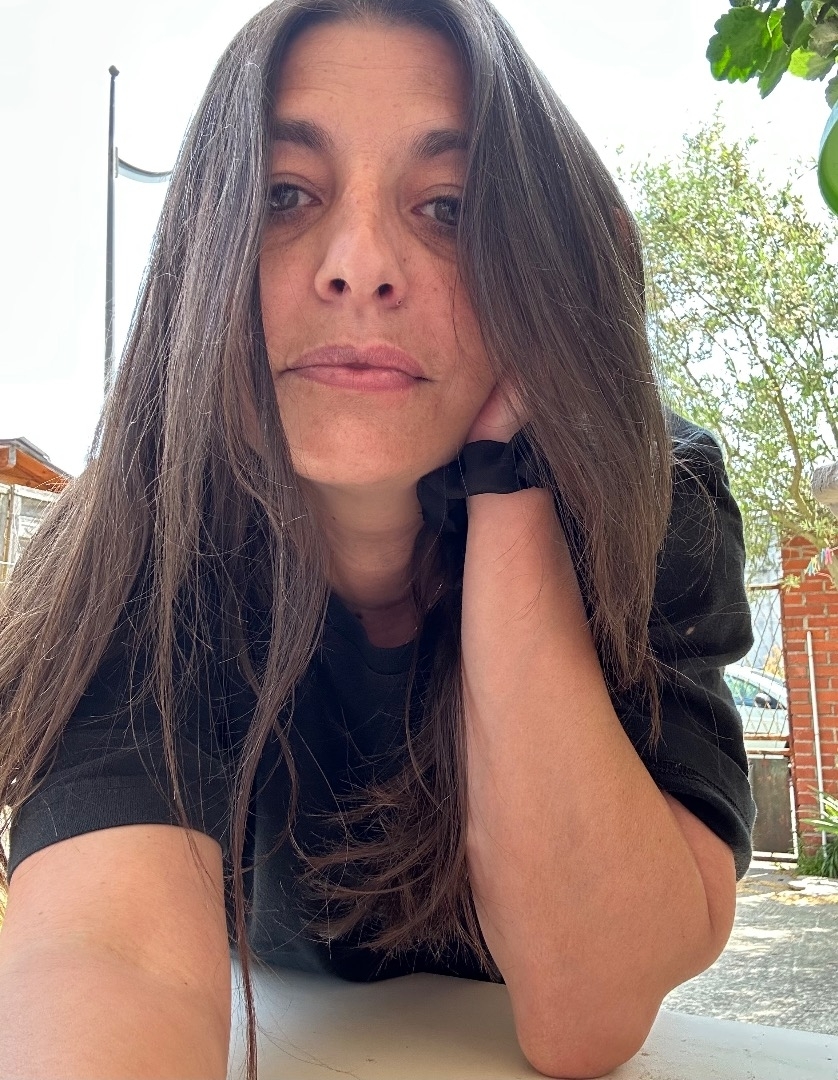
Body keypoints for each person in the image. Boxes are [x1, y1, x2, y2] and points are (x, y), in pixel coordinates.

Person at [0, 1, 755, 1077]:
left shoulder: (651, 493)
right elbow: (109, 959)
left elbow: (589, 1006)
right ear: (204, 254)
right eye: (284, 194)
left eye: (449, 207)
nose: (359, 265)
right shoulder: (138, 541)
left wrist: (511, 481)